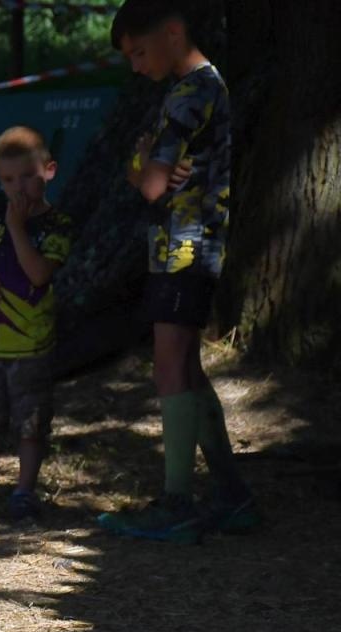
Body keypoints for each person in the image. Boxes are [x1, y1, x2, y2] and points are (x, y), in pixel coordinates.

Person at [100, 0, 258, 542]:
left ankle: (177, 502)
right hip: (191, 247)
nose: (137, 66)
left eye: (139, 52)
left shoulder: (191, 93)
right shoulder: (202, 88)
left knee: (170, 369)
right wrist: (146, 164)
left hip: (184, 251)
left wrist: (144, 163)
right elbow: (148, 172)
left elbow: (146, 183)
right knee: (187, 369)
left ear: (171, 33)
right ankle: (233, 496)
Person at [0, 126, 76, 524]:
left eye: (26, 176)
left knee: (31, 423)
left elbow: (39, 273)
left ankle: (24, 493)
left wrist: (18, 227)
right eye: (7, 180)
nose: (17, 188)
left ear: (49, 170)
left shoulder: (56, 225)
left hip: (32, 345)